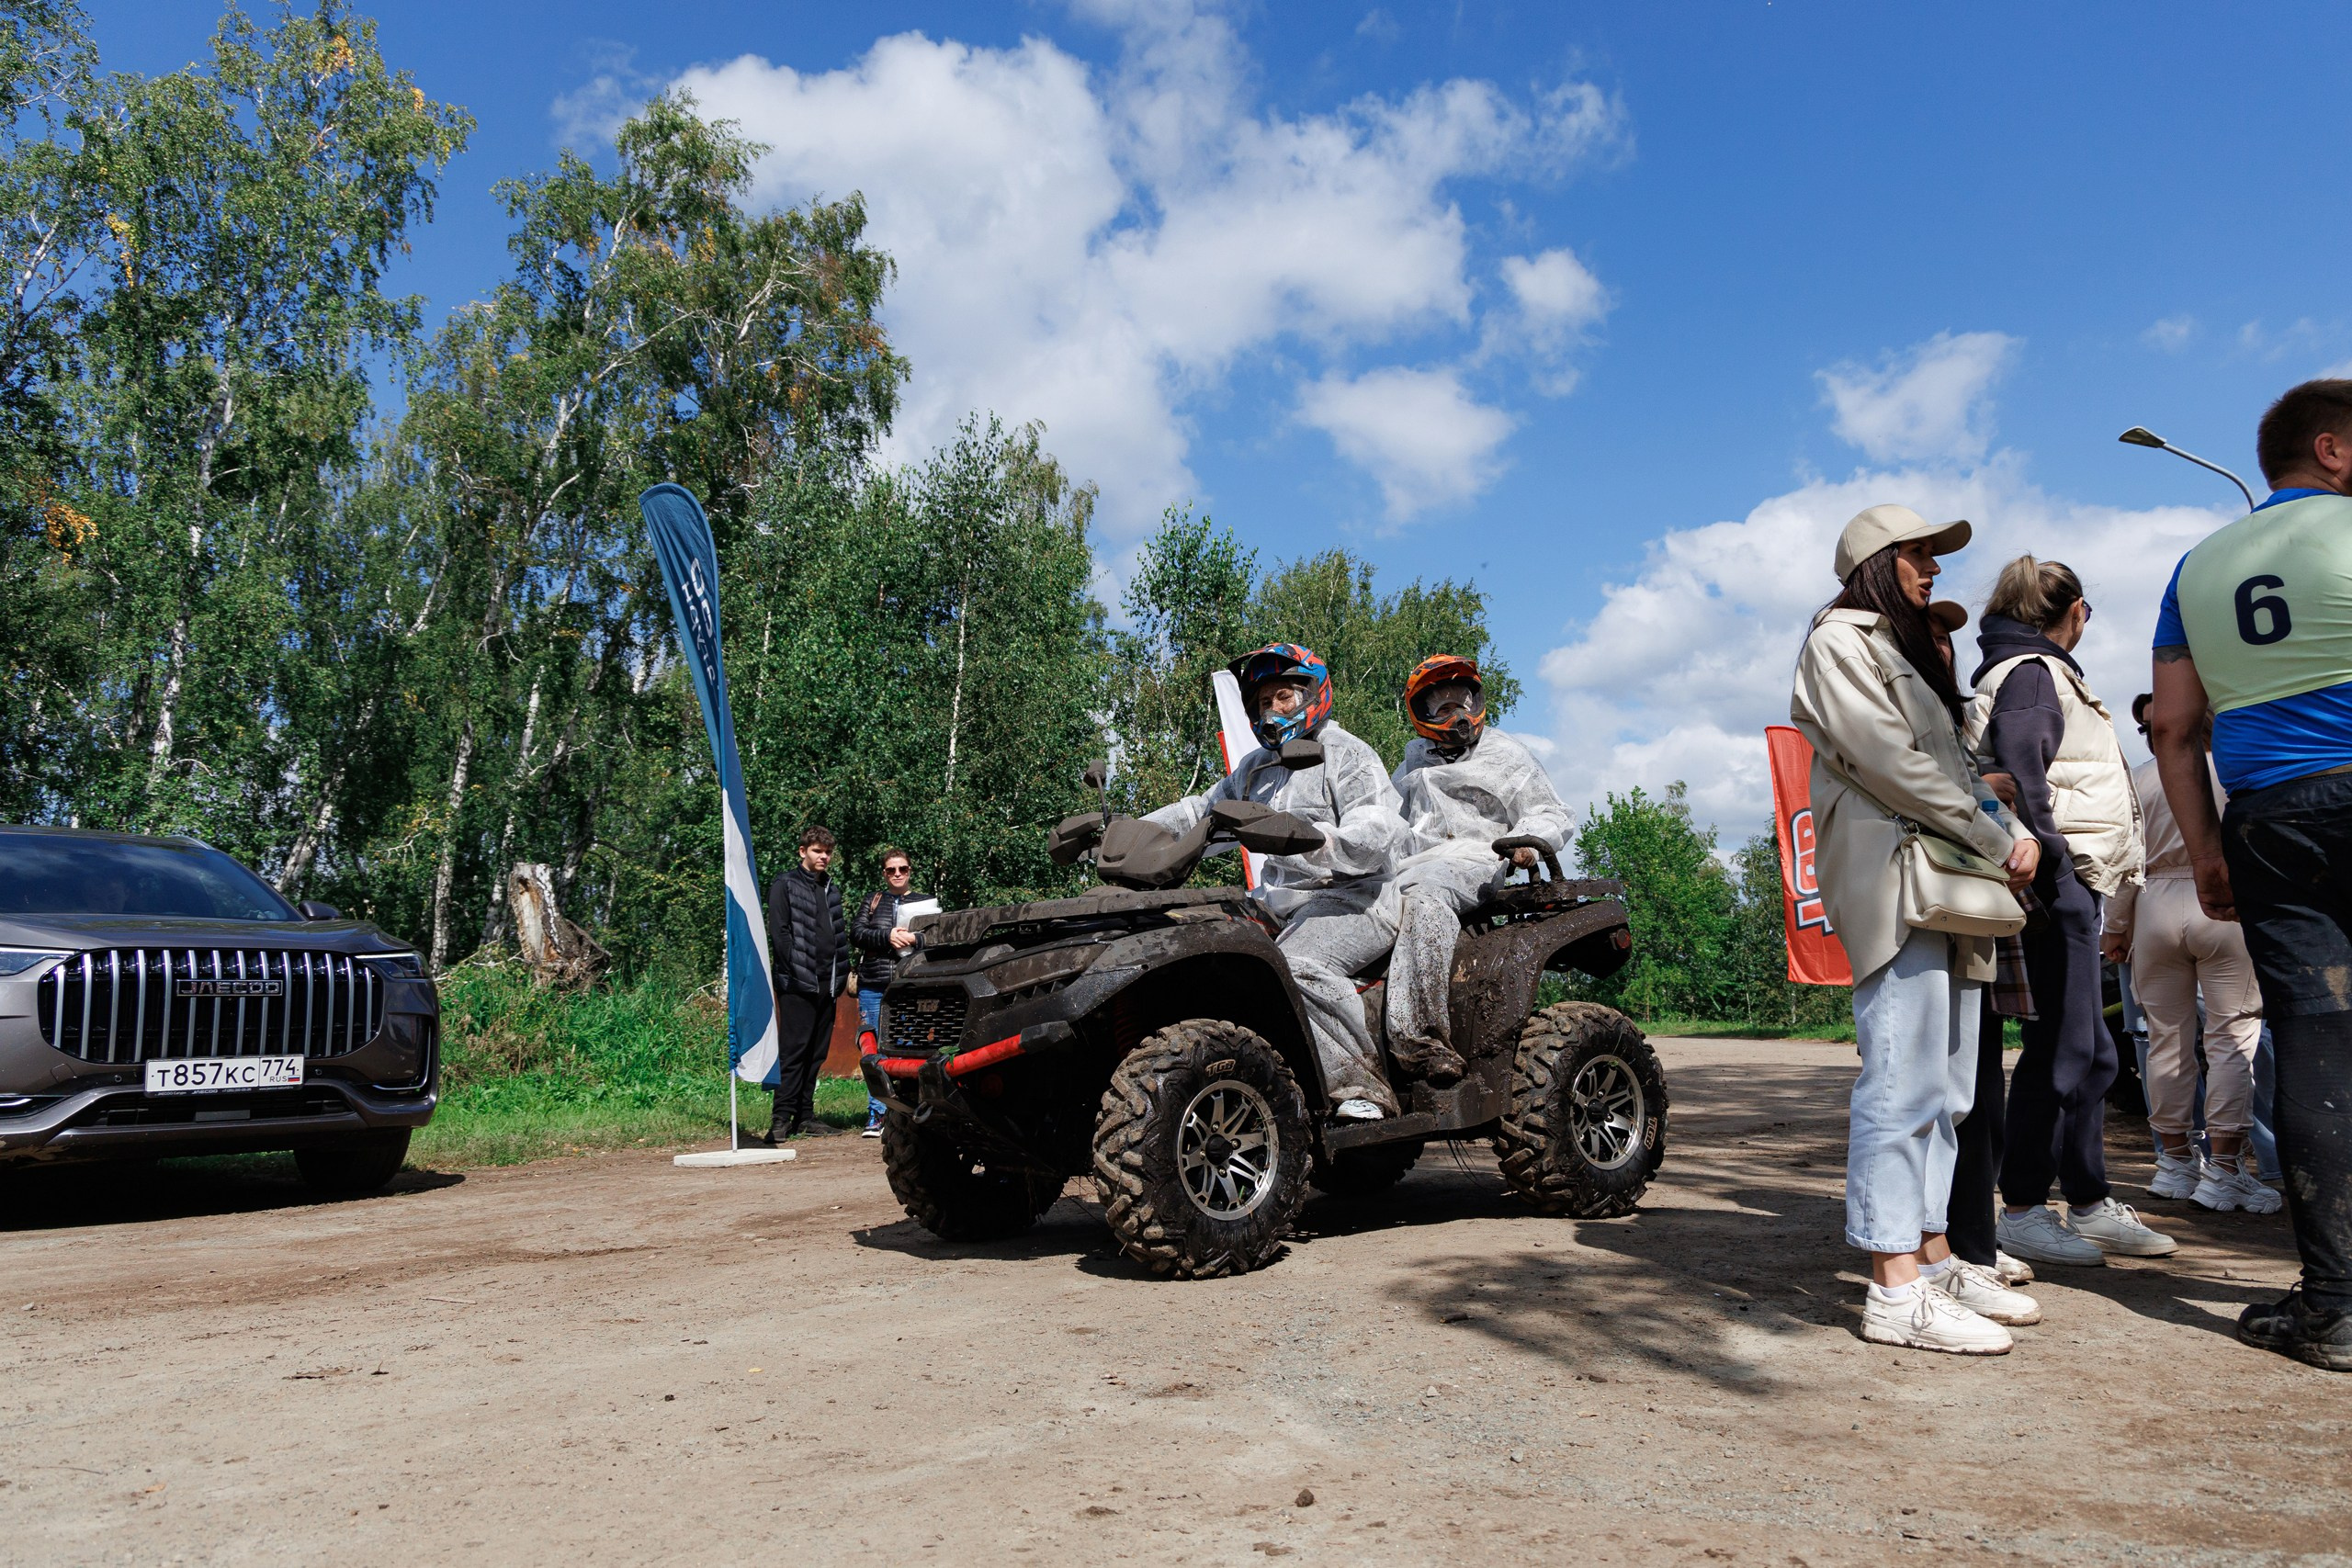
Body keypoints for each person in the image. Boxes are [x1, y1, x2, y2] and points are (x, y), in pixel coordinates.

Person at [1790, 504, 2044, 1354]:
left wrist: (1993, 817)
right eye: (1918, 554)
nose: (1933, 568)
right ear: (1875, 560)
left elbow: (1950, 768)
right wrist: (1998, 832)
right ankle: (1895, 1288)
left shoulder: (1897, 648)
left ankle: (1931, 1260)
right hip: (1900, 883)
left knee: (1949, 1089)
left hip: (1948, 884)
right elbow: (1892, 765)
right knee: (1901, 1083)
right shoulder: (1840, 642)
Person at [2149, 378, 2352, 1371]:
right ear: (2331, 451)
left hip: (2273, 819)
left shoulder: (2194, 567)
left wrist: (2206, 853)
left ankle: (2336, 1308)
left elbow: (2175, 728)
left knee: (2314, 1046)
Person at [1966, 556, 2169, 1268]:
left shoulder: (2033, 668)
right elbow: (2024, 768)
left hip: (2075, 876)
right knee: (2061, 1044)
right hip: (2062, 878)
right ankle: (2021, 1205)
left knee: (2092, 1048)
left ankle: (2086, 1198)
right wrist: (2056, 866)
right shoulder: (2032, 671)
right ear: (2075, 610)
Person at [1144, 643, 1409, 1121]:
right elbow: (1201, 814)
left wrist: (1309, 838)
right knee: (1198, 948)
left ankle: (1362, 1088)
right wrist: (1131, 831)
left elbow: (1380, 832)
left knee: (1295, 963)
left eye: (1282, 696)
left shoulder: (1346, 754)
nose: (1272, 709)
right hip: (1280, 907)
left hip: (1358, 898)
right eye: (1263, 702)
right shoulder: (1255, 769)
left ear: (1312, 693)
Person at [2104, 709, 2276, 1213]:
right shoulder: (2237, 768)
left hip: (2153, 903)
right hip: (2226, 904)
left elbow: (2123, 857)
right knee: (2230, 1035)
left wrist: (2116, 926)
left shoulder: (2137, 779)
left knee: (2166, 1039)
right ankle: (2224, 1167)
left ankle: (2175, 1162)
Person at [1385, 655, 1573, 1083]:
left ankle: (1421, 1040)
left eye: (1464, 699)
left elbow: (1551, 810)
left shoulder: (1505, 753)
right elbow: (1387, 815)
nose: (1458, 713)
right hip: (1411, 860)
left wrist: (1526, 842)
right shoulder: (1415, 758)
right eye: (1443, 705)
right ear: (1422, 714)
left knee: (1426, 898)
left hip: (1477, 858)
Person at [1928, 601, 2036, 1290]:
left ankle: (1975, 1238)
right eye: (1928, 632)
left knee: (1977, 1083)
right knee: (1929, 1085)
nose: (1941, 645)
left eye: (1947, 636)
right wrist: (1979, 793)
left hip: (1981, 903)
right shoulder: (1895, 710)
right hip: (1927, 900)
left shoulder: (1966, 714)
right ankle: (1941, 1247)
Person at [755, 825, 849, 1144]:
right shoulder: (785, 884)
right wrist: (794, 971)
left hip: (828, 982)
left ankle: (805, 1117)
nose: (823, 857)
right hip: (797, 983)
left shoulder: (830, 888)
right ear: (803, 852)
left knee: (816, 1053)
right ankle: (780, 1119)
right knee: (794, 1052)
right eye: (817, 851)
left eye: (827, 852)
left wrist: (839, 974)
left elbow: (836, 934)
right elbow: (779, 933)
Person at [851, 847, 921, 1137]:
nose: (897, 874)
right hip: (874, 985)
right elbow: (856, 933)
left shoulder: (923, 903)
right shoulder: (873, 900)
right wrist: (887, 936)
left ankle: (906, 1113)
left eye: (902, 869)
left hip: (909, 985)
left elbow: (938, 938)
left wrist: (916, 938)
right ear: (884, 873)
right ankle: (876, 1115)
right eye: (891, 870)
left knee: (907, 1047)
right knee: (874, 1047)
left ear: (909, 872)